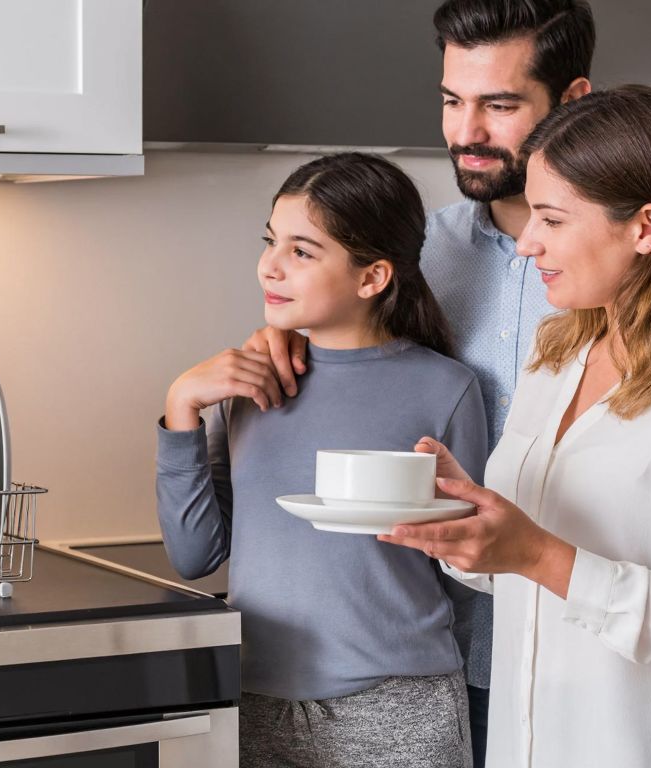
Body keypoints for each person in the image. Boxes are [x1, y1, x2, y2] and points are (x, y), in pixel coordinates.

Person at [382, 85, 651, 768]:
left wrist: (534, 552)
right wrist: (466, 520)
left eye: (552, 219)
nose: (526, 243)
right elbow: (533, 575)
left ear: (647, 227)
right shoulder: (558, 354)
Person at [246, 3, 595, 763]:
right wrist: (280, 344)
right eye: (451, 100)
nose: (466, 131)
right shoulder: (419, 253)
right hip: (434, 669)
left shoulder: (615, 265)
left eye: (499, 105)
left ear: (572, 102)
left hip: (581, 654)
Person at [156, 153, 486, 767]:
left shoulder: (446, 389)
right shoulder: (249, 385)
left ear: (373, 277)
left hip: (399, 706)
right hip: (255, 700)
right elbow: (194, 556)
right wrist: (181, 407)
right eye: (270, 241)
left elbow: (466, 570)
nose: (271, 265)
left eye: (302, 251)